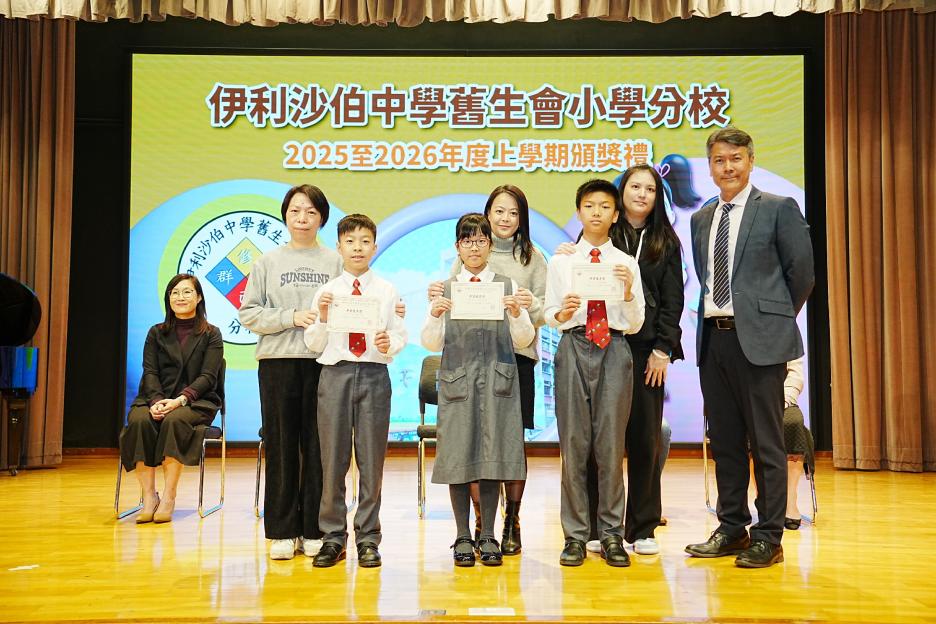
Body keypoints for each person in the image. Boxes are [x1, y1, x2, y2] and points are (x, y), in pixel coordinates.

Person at [685, 127, 814, 569]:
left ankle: (769, 537)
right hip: (714, 341)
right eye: (719, 160)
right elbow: (707, 279)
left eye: (735, 158)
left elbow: (802, 274)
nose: (728, 167)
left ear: (751, 161)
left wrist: (770, 321)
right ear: (710, 167)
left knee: (767, 444)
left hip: (760, 343)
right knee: (724, 442)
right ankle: (731, 528)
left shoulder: (778, 208)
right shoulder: (701, 218)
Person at [569, 165, 684, 557]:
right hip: (604, 345)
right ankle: (600, 525)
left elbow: (673, 301)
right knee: (599, 439)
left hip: (647, 351)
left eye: (650, 189)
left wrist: (663, 350)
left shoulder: (666, 241)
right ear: (621, 194)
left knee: (645, 438)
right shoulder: (604, 236)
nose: (642, 194)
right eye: (635, 186)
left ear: (657, 197)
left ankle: (643, 527)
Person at [427, 184, 547, 555]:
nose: (505, 218)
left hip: (510, 363)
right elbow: (437, 332)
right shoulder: (455, 276)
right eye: (499, 211)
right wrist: (435, 308)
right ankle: (473, 528)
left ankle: (507, 523)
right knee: (463, 450)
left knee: (504, 447)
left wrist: (522, 306)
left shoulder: (531, 259)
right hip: (465, 368)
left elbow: (541, 313)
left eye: (513, 212)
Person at [544, 178, 645, 568]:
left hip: (614, 348)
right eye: (589, 206)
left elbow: (635, 323)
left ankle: (612, 534)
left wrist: (628, 294)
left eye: (605, 206)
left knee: (610, 447)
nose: (597, 213)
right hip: (574, 345)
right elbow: (549, 314)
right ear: (579, 212)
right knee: (574, 445)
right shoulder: (562, 261)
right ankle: (574, 536)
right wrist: (563, 312)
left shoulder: (626, 264)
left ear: (616, 215)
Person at [239, 184, 342, 561]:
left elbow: (350, 309)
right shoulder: (266, 262)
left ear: (322, 218)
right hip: (277, 363)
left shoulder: (335, 262)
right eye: (296, 211)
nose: (302, 218)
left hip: (323, 363)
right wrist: (291, 317)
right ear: (285, 215)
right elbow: (248, 313)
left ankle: (314, 528)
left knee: (317, 447)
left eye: (311, 212)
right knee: (281, 445)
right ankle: (282, 531)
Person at [303, 214, 408, 568]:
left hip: (375, 375)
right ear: (339, 247)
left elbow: (399, 334)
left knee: (371, 462)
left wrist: (389, 342)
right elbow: (313, 343)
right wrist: (322, 316)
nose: (358, 248)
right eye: (350, 241)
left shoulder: (387, 290)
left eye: (365, 242)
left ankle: (368, 538)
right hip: (335, 374)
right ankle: (333, 537)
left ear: (374, 247)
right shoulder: (327, 292)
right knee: (332, 461)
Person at [120, 273, 223, 524]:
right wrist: (156, 400)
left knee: (174, 420)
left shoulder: (211, 333)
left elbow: (208, 377)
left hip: (196, 402)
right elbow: (150, 372)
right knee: (140, 420)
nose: (180, 297)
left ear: (199, 298)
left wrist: (180, 400)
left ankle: (169, 496)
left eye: (187, 292)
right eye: (174, 292)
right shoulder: (156, 333)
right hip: (154, 398)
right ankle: (149, 496)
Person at [782, 357, 815, 529]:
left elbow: (795, 374)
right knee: (752, 428)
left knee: (793, 423)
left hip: (782, 400)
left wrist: (784, 400)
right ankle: (764, 498)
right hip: (748, 402)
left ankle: (790, 499)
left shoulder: (786, 339)